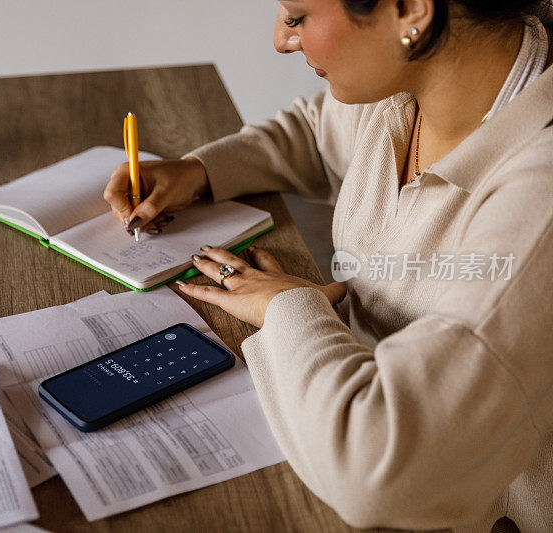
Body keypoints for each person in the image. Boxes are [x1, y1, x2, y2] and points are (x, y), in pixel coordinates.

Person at [104, 0, 553, 531]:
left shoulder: (537, 195)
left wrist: (286, 306)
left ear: (411, 10)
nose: (280, 40)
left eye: (297, 17)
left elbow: (379, 475)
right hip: (339, 408)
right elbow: (316, 129)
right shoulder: (408, 83)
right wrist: (199, 170)